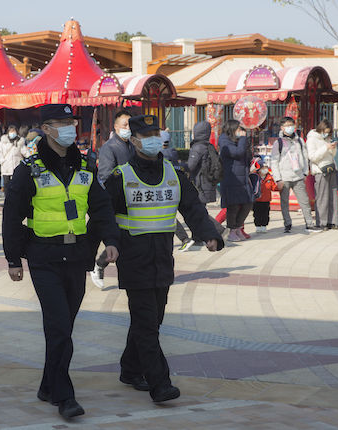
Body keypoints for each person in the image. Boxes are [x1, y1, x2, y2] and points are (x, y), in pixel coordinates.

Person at [3, 104, 119, 419]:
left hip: (75, 257)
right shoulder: (30, 169)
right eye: (63, 123)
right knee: (59, 327)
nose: (70, 128)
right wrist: (13, 259)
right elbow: (12, 216)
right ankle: (64, 396)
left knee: (63, 326)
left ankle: (46, 385)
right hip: (44, 258)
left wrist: (110, 240)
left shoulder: (84, 166)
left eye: (72, 122)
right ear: (47, 128)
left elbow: (101, 206)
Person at [104, 114, 223, 403]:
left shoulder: (173, 173)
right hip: (133, 259)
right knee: (146, 324)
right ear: (133, 141)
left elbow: (192, 207)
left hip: (162, 259)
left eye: (156, 133)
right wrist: (108, 244)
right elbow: (104, 215)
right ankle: (160, 384)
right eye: (147, 135)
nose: (154, 139)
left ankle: (130, 369)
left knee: (151, 321)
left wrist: (209, 233)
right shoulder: (121, 177)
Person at [89, 110, 133, 288]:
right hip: (112, 202)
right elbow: (106, 176)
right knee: (110, 237)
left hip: (129, 201)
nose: (128, 128)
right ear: (116, 127)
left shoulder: (132, 145)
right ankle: (98, 265)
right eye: (125, 125)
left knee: (122, 240)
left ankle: (99, 264)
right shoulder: (110, 147)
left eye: (130, 125)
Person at [271, 117, 321, 233]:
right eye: (287, 125)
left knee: (304, 201)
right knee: (284, 203)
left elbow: (305, 156)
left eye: (291, 125)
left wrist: (304, 172)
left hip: (298, 176)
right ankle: (287, 224)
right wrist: (278, 179)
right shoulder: (278, 143)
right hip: (284, 177)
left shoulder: (299, 141)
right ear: (282, 128)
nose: (290, 127)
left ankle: (309, 223)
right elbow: (274, 161)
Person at [187, 121, 227, 239]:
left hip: (199, 185)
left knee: (198, 211)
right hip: (207, 183)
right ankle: (197, 237)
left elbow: (191, 166)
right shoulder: (208, 146)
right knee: (198, 211)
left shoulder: (197, 148)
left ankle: (220, 230)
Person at [217, 120, 254, 242]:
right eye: (238, 129)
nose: (241, 131)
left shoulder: (239, 141)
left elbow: (246, 155)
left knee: (248, 203)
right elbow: (237, 153)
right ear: (232, 129)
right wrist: (243, 139)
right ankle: (231, 230)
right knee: (233, 206)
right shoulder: (224, 141)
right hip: (231, 178)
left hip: (243, 177)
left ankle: (238, 227)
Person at [306, 119, 338, 230]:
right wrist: (326, 148)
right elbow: (313, 156)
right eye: (325, 131)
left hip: (331, 168)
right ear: (320, 128)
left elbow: (332, 155)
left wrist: (333, 148)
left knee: (333, 196)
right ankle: (321, 222)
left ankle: (332, 221)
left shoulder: (327, 138)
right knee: (322, 197)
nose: (326, 133)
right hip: (320, 170)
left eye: (328, 132)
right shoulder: (312, 138)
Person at [0, 124, 26, 194]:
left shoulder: (20, 141)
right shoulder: (3, 141)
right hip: (6, 165)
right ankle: (7, 199)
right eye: (11, 131)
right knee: (6, 184)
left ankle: (16, 199)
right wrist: (2, 161)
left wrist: (30, 158)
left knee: (17, 184)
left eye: (14, 131)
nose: (12, 133)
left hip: (16, 165)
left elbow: (25, 151)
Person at [252, 161, 275, 233]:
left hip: (266, 200)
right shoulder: (255, 177)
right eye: (263, 168)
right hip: (257, 200)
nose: (265, 169)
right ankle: (258, 226)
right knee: (257, 213)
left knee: (265, 213)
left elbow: (273, 187)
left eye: (266, 168)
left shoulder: (270, 177)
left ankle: (264, 226)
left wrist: (279, 186)